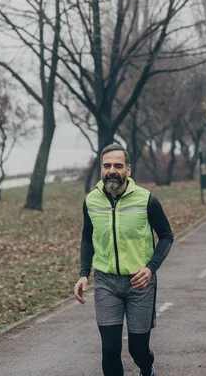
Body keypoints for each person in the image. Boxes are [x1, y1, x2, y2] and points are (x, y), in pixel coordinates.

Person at [74, 142, 174, 376]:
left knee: (138, 349)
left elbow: (167, 236)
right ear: (101, 168)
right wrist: (83, 274)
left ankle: (147, 368)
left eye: (118, 165)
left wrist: (151, 268)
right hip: (106, 283)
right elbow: (87, 238)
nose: (111, 170)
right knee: (109, 349)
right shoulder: (91, 201)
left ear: (128, 170)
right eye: (106, 165)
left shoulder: (147, 200)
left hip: (139, 283)